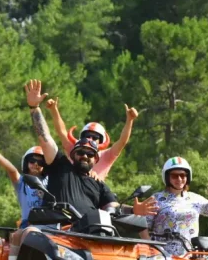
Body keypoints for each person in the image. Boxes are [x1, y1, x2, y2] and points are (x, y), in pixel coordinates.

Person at [24, 79, 158, 218]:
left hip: (90, 234)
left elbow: (113, 207)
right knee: (30, 233)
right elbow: (45, 137)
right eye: (81, 152)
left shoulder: (100, 185)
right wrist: (34, 108)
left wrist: (133, 210)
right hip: (58, 229)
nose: (85, 156)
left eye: (90, 154)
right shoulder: (60, 165)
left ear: (96, 158)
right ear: (73, 153)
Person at [0, 145, 48, 260]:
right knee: (17, 236)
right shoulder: (22, 183)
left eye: (40, 162)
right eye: (32, 161)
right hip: (28, 225)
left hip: (50, 226)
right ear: (26, 163)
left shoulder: (51, 181)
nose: (36, 164)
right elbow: (12, 171)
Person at [141, 157, 208, 256]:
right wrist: (151, 248)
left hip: (190, 256)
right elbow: (142, 226)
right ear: (167, 177)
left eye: (183, 175)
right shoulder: (156, 199)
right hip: (163, 257)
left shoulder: (194, 198)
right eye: (174, 176)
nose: (179, 179)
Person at [45, 96, 138, 180]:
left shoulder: (107, 155)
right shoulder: (75, 150)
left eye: (95, 137)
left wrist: (130, 120)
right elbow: (62, 132)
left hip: (95, 194)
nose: (90, 139)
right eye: (87, 136)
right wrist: (54, 110)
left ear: (101, 140)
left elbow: (122, 141)